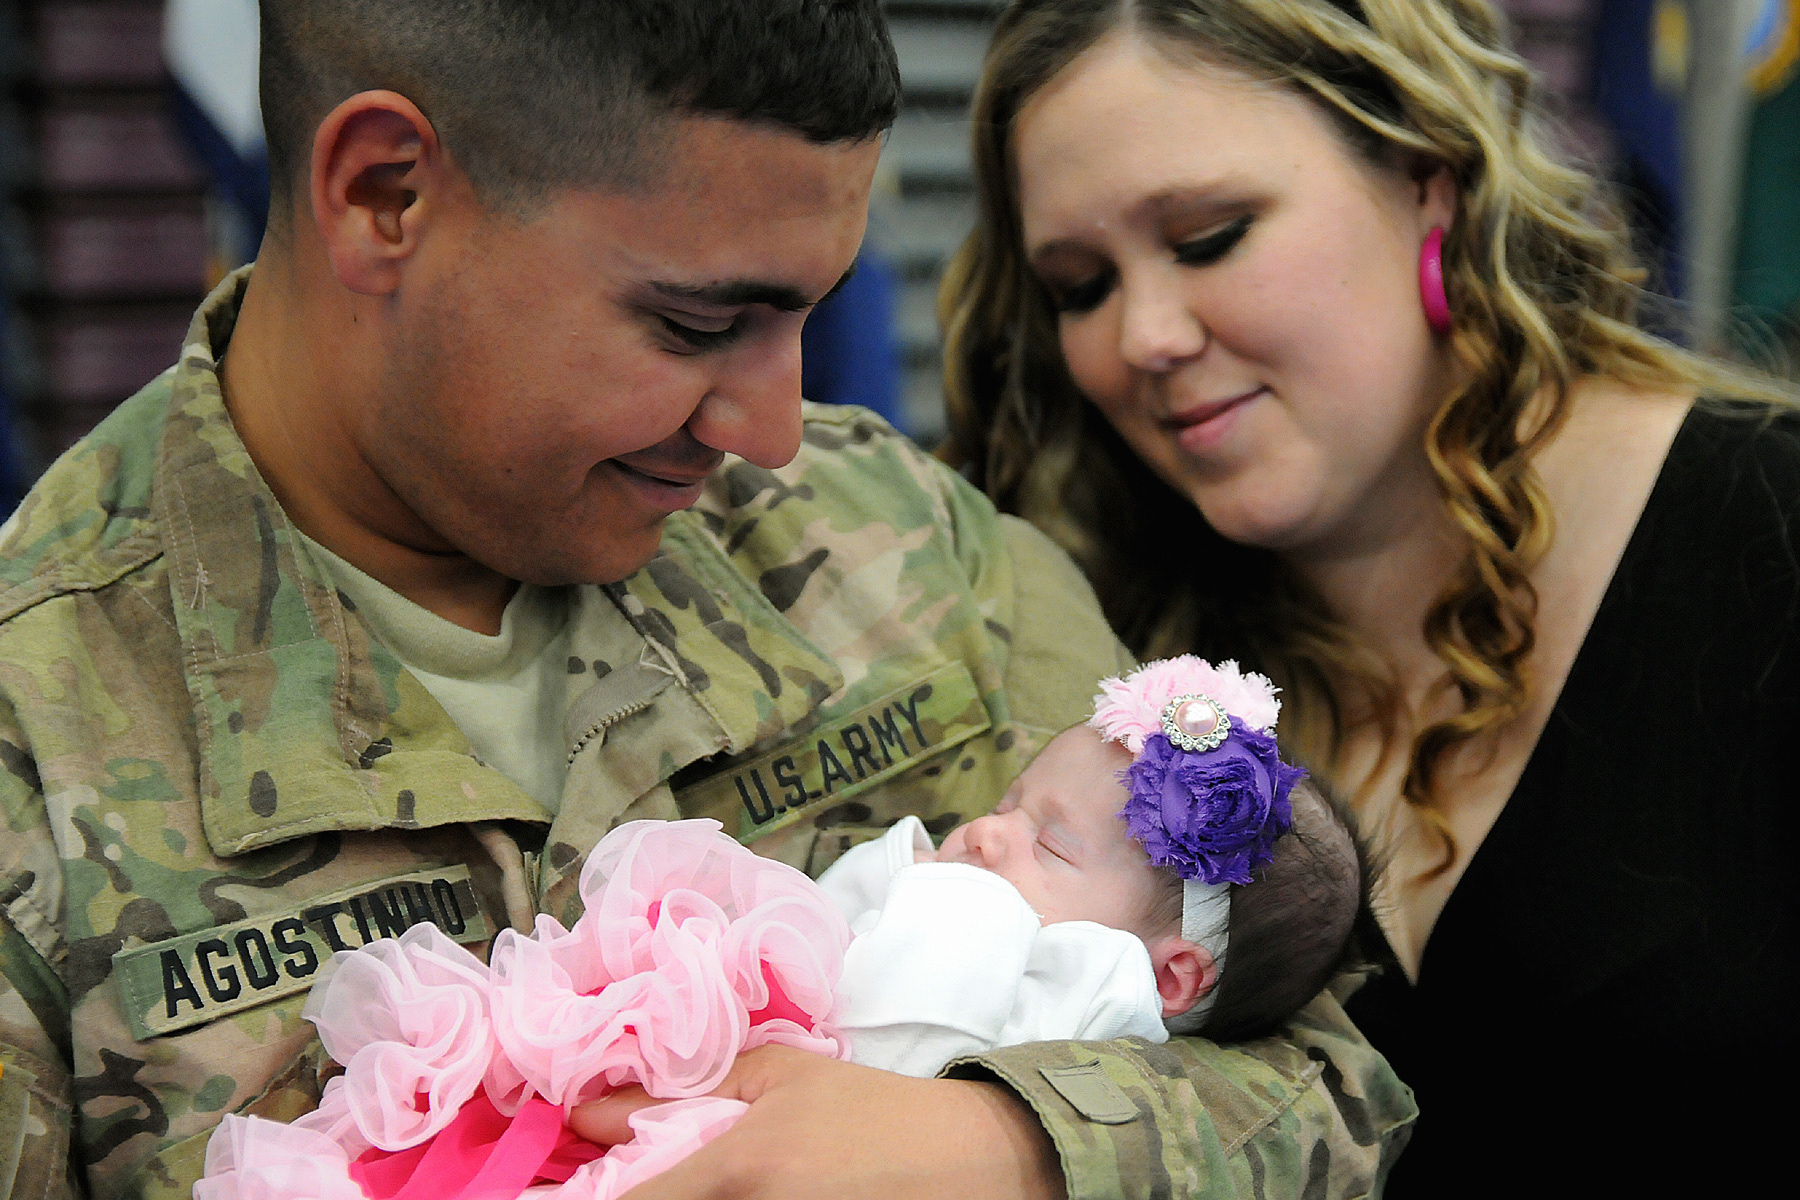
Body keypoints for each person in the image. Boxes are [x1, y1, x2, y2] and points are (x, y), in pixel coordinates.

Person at [0, 3, 1417, 1198]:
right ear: (386, 196)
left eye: (810, 312)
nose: (775, 430)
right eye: (696, 323)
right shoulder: (37, 738)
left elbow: (1335, 1082)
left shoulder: (897, 543)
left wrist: (1004, 1148)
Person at [941, 0, 1799, 1193]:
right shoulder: (1105, 654)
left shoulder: (1769, 534)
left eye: (1208, 237)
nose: (1143, 336)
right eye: (1081, 287)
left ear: (1427, 182)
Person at [821, 657, 1360, 1076]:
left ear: (1166, 977)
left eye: (1051, 847)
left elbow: (891, 1053)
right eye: (1006, 806)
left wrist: (934, 895)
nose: (985, 830)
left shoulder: (1078, 1012)